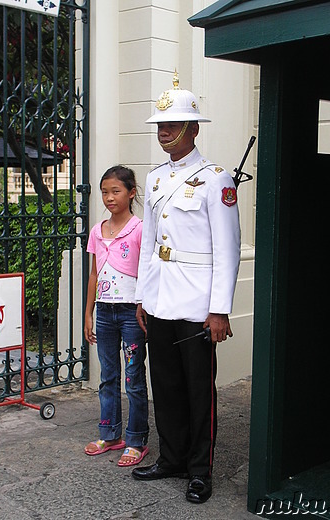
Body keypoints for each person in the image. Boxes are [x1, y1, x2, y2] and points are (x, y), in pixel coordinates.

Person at [132, 73, 241, 503]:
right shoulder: (156, 178)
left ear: (194, 129)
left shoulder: (217, 179)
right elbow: (148, 244)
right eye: (160, 124)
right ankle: (172, 457)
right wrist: (143, 294)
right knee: (166, 384)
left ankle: (199, 469)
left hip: (197, 303)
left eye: (173, 124)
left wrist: (219, 310)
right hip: (160, 297)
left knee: (199, 390)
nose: (164, 131)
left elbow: (227, 249)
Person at [84, 165, 149, 467]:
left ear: (131, 192)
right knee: (107, 376)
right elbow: (94, 274)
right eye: (105, 192)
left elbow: (147, 272)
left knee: (133, 377)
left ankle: (136, 439)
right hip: (104, 313)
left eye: (116, 191)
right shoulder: (98, 230)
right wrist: (88, 313)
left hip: (130, 312)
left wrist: (142, 305)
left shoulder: (140, 229)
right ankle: (110, 433)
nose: (109, 198)